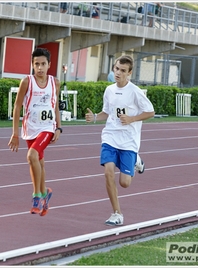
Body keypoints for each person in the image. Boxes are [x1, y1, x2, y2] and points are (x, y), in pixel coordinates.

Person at [85, 55, 155, 226]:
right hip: (110, 136)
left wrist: (131, 119)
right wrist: (94, 117)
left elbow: (150, 112)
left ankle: (137, 160)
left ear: (129, 73)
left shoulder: (135, 92)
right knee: (108, 171)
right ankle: (117, 213)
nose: (118, 73)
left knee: (125, 183)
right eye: (116, 69)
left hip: (129, 141)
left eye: (122, 71)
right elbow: (106, 113)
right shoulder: (109, 90)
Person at [8, 47, 62, 216]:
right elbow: (17, 107)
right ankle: (45, 192)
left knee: (31, 156)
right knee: (38, 162)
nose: (40, 68)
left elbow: (55, 106)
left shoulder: (55, 82)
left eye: (43, 64)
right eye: (36, 64)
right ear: (32, 65)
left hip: (47, 128)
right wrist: (15, 133)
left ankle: (37, 195)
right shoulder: (27, 82)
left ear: (49, 65)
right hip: (30, 128)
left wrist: (58, 127)